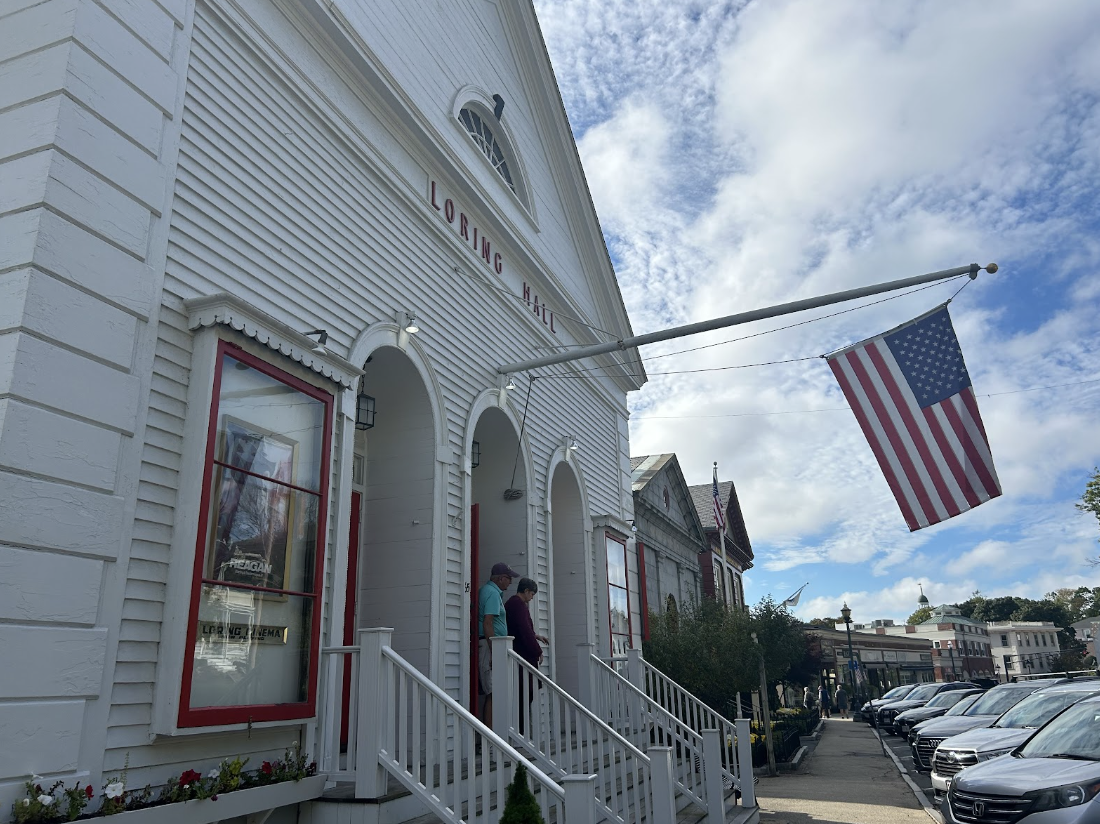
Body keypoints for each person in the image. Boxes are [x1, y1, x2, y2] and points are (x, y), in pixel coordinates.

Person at [477, 562, 520, 730]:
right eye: (509, 579)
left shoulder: (490, 591)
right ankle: (491, 737)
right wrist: (495, 650)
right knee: (493, 692)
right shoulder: (493, 594)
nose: (510, 582)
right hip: (490, 647)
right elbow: (488, 623)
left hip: (491, 646)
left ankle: (496, 733)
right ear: (501, 578)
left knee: (496, 691)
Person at [505, 577, 549, 734]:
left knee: (525, 694)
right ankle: (520, 732)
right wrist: (538, 651)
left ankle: (522, 731)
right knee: (525, 694)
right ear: (525, 591)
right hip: (522, 655)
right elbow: (523, 630)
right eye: (532, 593)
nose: (532, 597)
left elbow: (524, 629)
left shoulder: (514, 604)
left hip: (521, 653)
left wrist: (536, 636)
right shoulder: (518, 605)